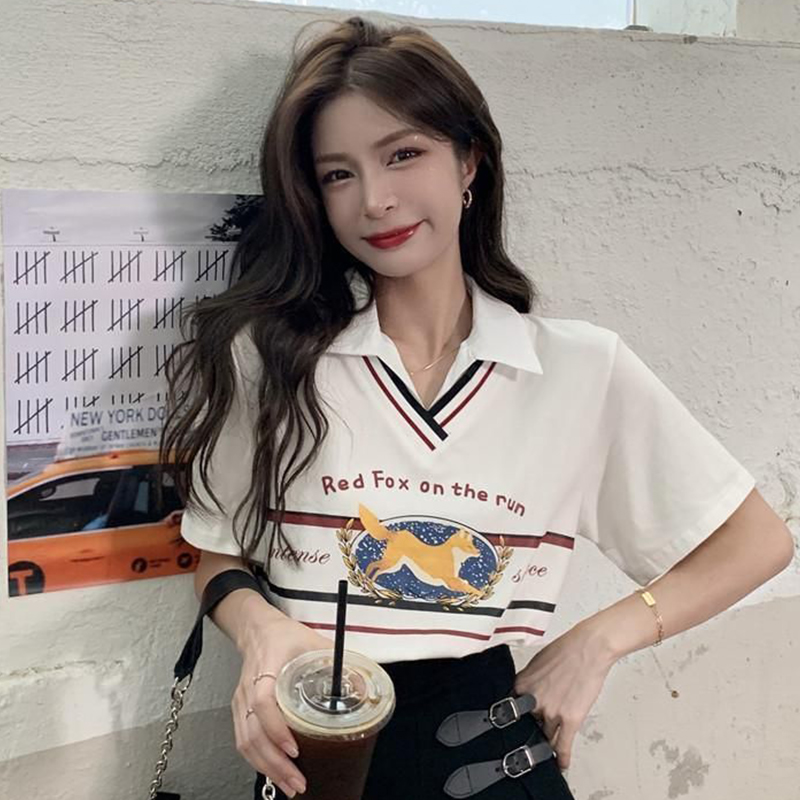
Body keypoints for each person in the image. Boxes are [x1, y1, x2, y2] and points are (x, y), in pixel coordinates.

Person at [162, 15, 794, 800]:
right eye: (338, 174)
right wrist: (261, 632)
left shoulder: (576, 369)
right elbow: (218, 552)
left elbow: (757, 542)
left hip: (490, 760)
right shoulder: (272, 360)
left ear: (469, 162)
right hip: (314, 754)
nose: (376, 200)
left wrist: (598, 640)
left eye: (403, 154)